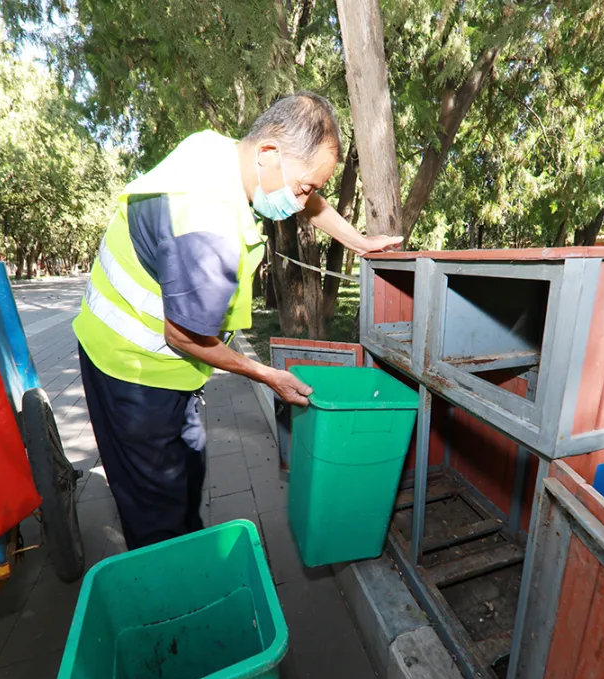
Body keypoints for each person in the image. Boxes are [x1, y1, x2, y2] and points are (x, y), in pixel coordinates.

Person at [72, 92, 402, 550]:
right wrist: (266, 375)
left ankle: (188, 551)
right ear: (269, 153)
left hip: (170, 370)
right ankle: (171, 598)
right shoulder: (208, 224)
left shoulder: (220, 152)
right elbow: (183, 335)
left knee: (188, 472)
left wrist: (359, 241)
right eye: (306, 185)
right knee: (156, 513)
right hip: (130, 370)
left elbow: (307, 201)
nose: (305, 198)